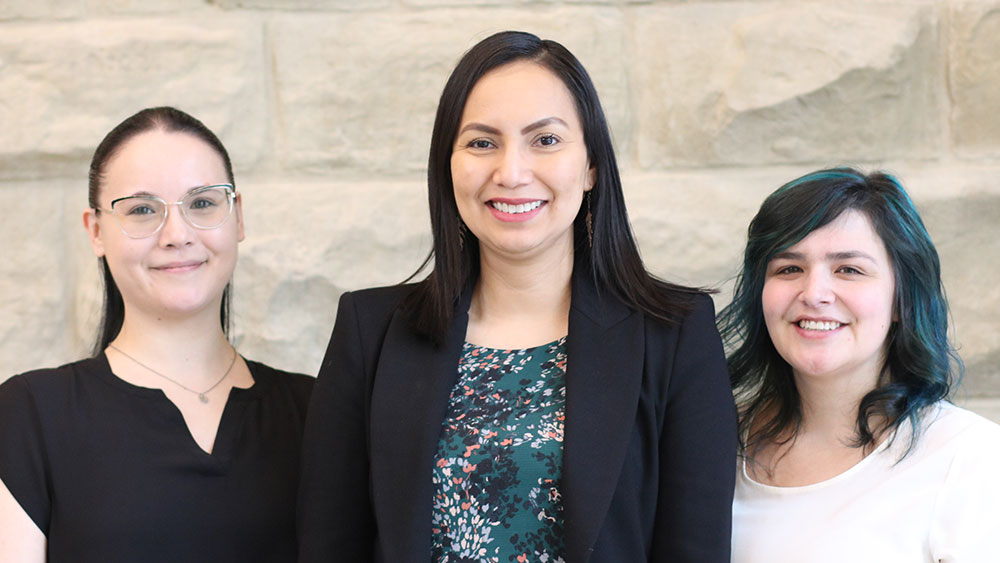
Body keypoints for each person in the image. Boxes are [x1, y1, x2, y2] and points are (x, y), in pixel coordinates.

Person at [298, 31, 737, 562]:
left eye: (545, 140)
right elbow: (330, 545)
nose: (511, 173)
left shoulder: (675, 334)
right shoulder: (371, 330)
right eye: (482, 142)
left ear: (592, 165)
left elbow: (696, 548)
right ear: (448, 165)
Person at [0, 106, 313, 562]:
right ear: (96, 232)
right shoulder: (30, 415)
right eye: (143, 210)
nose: (177, 233)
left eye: (203, 202)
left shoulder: (318, 413)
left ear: (238, 217)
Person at [719, 167, 1000, 561]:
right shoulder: (712, 442)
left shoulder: (972, 460)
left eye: (848, 269)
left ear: (903, 299)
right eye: (789, 268)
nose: (814, 293)